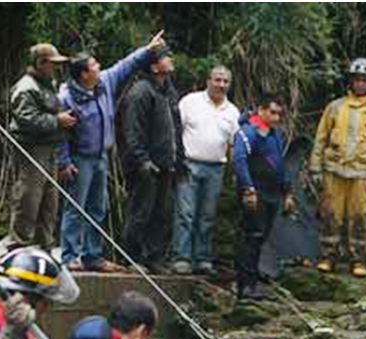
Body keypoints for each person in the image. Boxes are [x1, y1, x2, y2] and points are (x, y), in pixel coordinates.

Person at [57, 31, 167, 272]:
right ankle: (69, 256)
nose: (99, 67)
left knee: (98, 207)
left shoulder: (104, 82)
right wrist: (64, 162)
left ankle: (92, 255)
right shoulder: (67, 97)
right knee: (75, 207)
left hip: (101, 157)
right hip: (80, 158)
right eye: (94, 65)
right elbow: (61, 134)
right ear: (84, 74)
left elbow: (126, 65)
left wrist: (148, 49)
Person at [309, 58, 366, 279]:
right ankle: (328, 256)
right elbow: (321, 139)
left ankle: (358, 259)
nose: (360, 84)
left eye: (365, 80)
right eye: (357, 80)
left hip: (362, 173)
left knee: (359, 217)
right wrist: (315, 168)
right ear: (350, 81)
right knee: (331, 214)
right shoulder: (335, 107)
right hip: (334, 170)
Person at [0, 43, 77, 252]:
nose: (56, 68)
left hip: (50, 148)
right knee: (28, 198)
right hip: (31, 150)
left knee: (50, 202)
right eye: (53, 64)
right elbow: (26, 119)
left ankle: (45, 247)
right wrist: (57, 121)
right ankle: (18, 245)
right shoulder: (26, 88)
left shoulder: (48, 83)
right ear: (41, 63)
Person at [171, 66, 240, 276]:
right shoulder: (190, 102)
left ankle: (202, 258)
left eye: (225, 81)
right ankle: (181, 257)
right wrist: (176, 160)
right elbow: (176, 130)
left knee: (207, 216)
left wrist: (234, 170)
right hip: (189, 164)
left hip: (216, 168)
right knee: (186, 213)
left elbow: (232, 144)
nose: (221, 85)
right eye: (217, 80)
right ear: (208, 80)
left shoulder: (232, 111)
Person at [120, 44, 183, 273]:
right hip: (145, 165)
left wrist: (178, 160)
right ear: (154, 67)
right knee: (140, 212)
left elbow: (175, 128)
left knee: (162, 213)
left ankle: (154, 258)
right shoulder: (140, 92)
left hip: (167, 163)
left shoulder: (168, 91)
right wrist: (142, 160)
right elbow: (132, 132)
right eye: (165, 57)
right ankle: (131, 258)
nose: (170, 59)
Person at [232, 93, 297, 300]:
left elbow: (280, 164)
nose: (276, 118)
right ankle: (244, 285)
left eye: (279, 114)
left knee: (260, 237)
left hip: (272, 194)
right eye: (272, 112)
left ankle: (252, 279)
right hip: (255, 193)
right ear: (261, 110)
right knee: (250, 236)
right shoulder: (248, 132)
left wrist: (287, 192)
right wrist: (248, 189)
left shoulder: (274, 134)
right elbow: (239, 160)